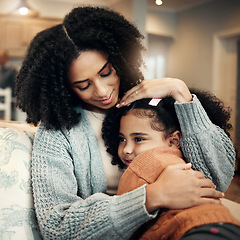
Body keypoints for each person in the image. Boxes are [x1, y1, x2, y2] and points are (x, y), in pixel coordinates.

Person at [15, 6, 234, 239]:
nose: (102, 91)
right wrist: (152, 197)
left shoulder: (152, 103)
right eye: (83, 85)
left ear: (118, 59)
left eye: (106, 72)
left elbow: (216, 179)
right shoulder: (58, 134)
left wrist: (181, 94)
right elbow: (57, 226)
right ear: (62, 88)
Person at [102, 92, 240, 239]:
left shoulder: (140, 167)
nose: (127, 149)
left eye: (139, 139)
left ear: (173, 141)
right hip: (223, 223)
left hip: (191, 231)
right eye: (122, 139)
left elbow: (125, 225)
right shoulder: (184, 162)